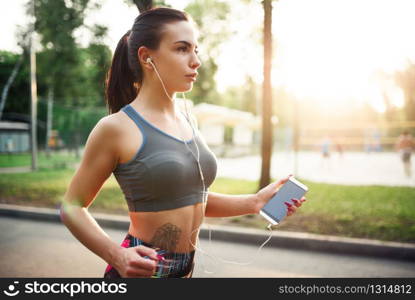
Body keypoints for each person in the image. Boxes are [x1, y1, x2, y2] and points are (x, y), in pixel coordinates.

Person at [59, 3, 307, 278]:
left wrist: (254, 202)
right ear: (146, 57)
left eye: (195, 49)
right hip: (141, 273)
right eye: (182, 48)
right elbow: (72, 207)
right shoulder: (116, 128)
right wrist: (116, 255)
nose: (196, 61)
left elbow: (189, 198)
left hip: (185, 273)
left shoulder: (189, 120)